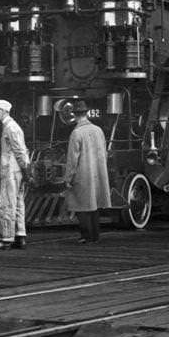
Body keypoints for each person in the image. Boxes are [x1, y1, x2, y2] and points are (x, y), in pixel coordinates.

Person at [62, 100, 110, 244]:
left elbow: (72, 159)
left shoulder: (77, 133)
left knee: (80, 206)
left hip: (82, 175)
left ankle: (86, 236)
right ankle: (95, 236)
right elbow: (105, 153)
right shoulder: (98, 130)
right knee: (94, 206)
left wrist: (68, 178)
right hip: (97, 174)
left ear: (75, 115)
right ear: (86, 113)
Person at [0, 100, 31, 250]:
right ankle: (20, 235)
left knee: (6, 203)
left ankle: (6, 239)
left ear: (5, 111)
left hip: (11, 170)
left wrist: (26, 171)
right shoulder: (12, 126)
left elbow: (19, 150)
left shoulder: (10, 128)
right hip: (17, 169)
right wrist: (25, 170)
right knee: (18, 203)